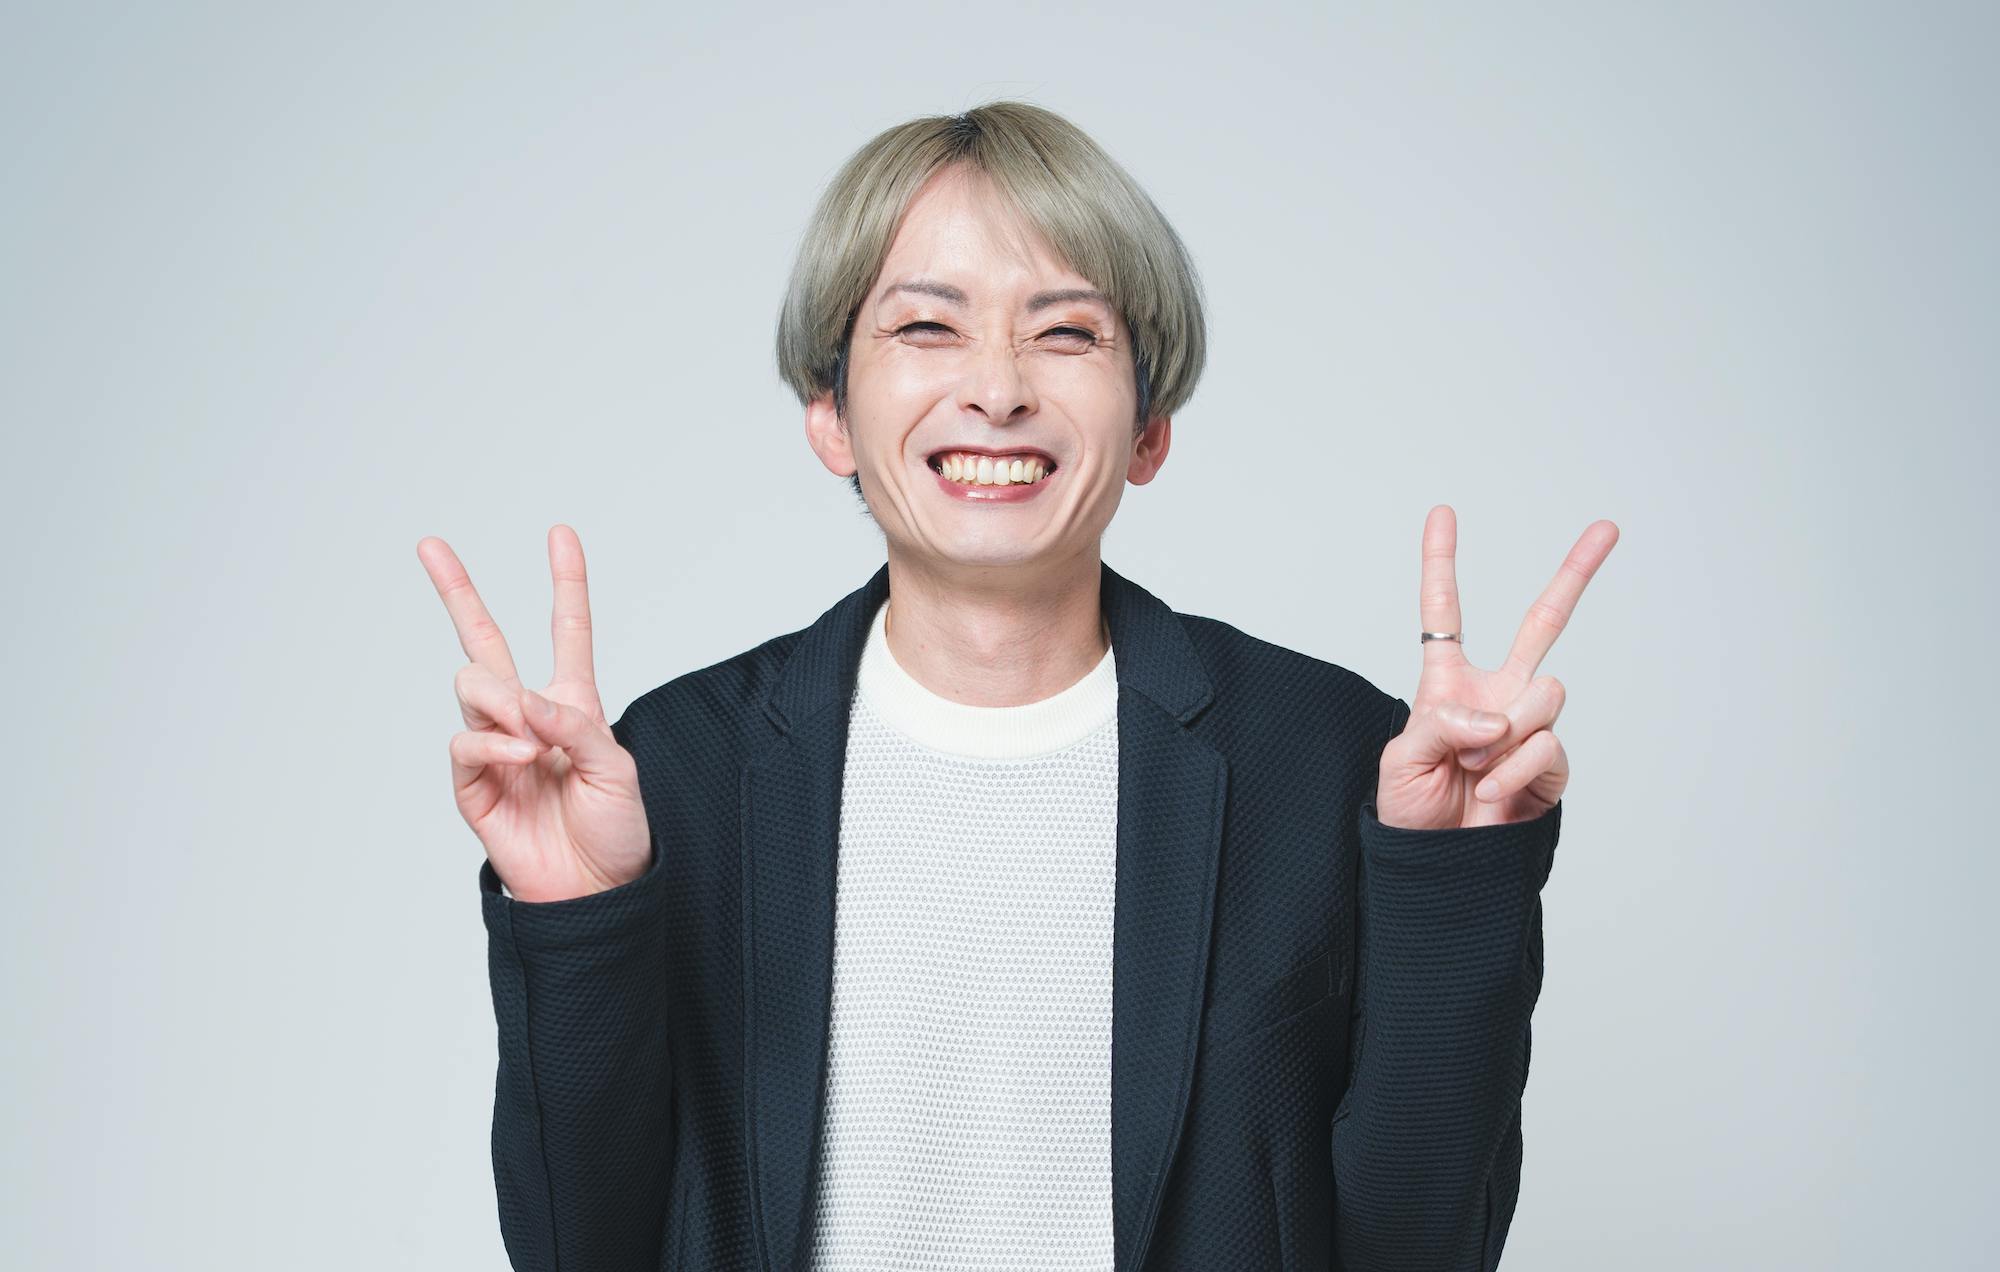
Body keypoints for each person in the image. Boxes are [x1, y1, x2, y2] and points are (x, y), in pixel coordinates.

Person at [418, 100, 1617, 1272]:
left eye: (1066, 333)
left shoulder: (1326, 757)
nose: (996, 389)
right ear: (829, 414)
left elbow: (1423, 1247)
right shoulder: (678, 768)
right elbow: (580, 1250)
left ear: (1147, 429)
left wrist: (1451, 889)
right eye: (925, 327)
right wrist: (573, 927)